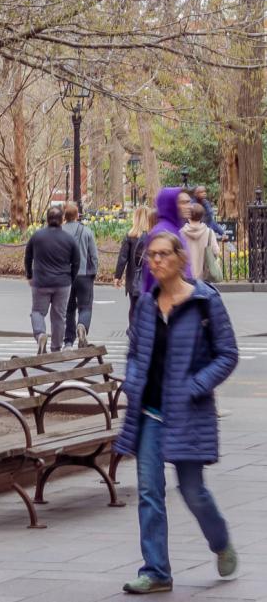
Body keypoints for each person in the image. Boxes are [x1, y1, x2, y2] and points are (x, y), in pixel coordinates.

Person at [114, 230, 239, 594]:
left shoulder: (204, 302)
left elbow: (227, 354)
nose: (155, 261)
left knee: (192, 490)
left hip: (187, 411)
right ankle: (156, 571)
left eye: (163, 254)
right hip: (150, 411)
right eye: (150, 255)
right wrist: (133, 382)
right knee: (150, 492)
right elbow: (135, 354)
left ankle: (220, 542)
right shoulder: (147, 305)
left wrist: (196, 385)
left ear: (180, 259)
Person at [23, 205, 80, 353]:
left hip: (41, 281)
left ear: (47, 219)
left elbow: (28, 257)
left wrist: (29, 275)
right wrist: (70, 278)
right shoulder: (69, 239)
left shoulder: (37, 236)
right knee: (59, 316)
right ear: (62, 220)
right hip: (63, 282)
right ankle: (56, 347)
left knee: (37, 312)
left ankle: (40, 334)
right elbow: (76, 262)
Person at [61, 202, 101, 347]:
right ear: (77, 215)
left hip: (66, 276)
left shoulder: (59, 232)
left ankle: (68, 341)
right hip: (85, 275)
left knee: (69, 309)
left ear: (64, 216)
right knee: (85, 307)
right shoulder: (86, 231)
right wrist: (94, 271)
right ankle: (82, 326)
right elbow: (94, 255)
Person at [144, 187, 193, 292]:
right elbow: (156, 272)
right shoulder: (161, 233)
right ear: (171, 205)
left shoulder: (176, 230)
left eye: (189, 202)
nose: (189, 206)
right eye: (183, 202)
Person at [114, 205, 151, 331]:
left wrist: (117, 276)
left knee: (134, 306)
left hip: (133, 277)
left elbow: (122, 258)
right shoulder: (154, 236)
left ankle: (134, 330)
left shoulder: (130, 236)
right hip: (149, 277)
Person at [182, 202, 223, 283]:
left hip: (186, 277)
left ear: (189, 216)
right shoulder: (209, 232)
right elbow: (216, 251)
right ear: (202, 216)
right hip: (204, 278)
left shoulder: (181, 232)